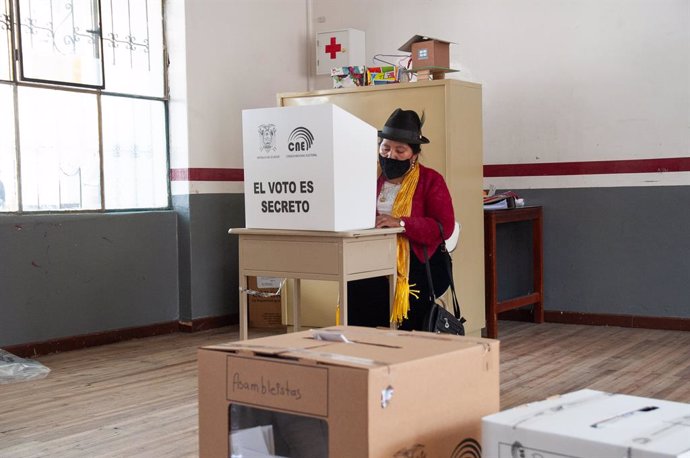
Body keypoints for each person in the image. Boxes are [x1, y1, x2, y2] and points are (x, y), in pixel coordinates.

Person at [347, 108, 455, 331]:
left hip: (417, 259)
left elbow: (443, 227)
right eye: (385, 148)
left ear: (414, 154)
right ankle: (363, 349)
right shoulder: (368, 176)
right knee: (355, 288)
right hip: (372, 255)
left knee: (408, 298)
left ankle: (406, 352)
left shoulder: (430, 180)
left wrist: (402, 223)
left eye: (400, 150)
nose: (390, 155)